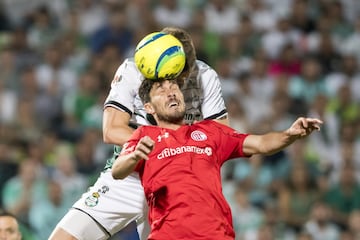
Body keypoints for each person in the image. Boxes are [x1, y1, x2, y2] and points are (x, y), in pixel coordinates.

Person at [49, 27, 229, 240]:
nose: (180, 81)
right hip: (131, 174)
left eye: (185, 72)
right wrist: (165, 144)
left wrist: (175, 149)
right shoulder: (132, 69)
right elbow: (111, 130)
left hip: (178, 181)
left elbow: (221, 136)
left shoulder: (204, 75)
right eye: (175, 72)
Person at [111, 78, 322, 239]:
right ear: (149, 107)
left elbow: (261, 144)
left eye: (174, 88)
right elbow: (117, 171)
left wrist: (289, 135)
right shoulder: (144, 136)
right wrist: (136, 155)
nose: (172, 93)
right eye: (162, 91)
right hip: (167, 235)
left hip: (216, 234)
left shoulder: (211, 132)